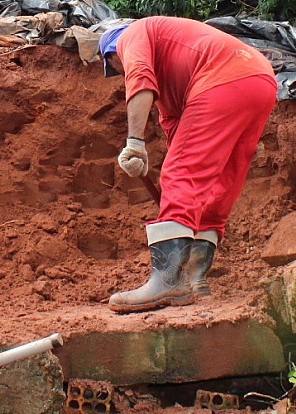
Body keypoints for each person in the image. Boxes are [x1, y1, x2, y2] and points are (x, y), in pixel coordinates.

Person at [98, 16, 277, 313]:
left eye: (116, 69)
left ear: (113, 54)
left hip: (222, 79)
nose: (121, 74)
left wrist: (135, 142)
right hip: (260, 80)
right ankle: (195, 279)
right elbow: (180, 144)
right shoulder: (176, 78)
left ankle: (168, 283)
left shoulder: (132, 35)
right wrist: (168, 172)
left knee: (181, 173)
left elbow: (139, 78)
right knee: (220, 180)